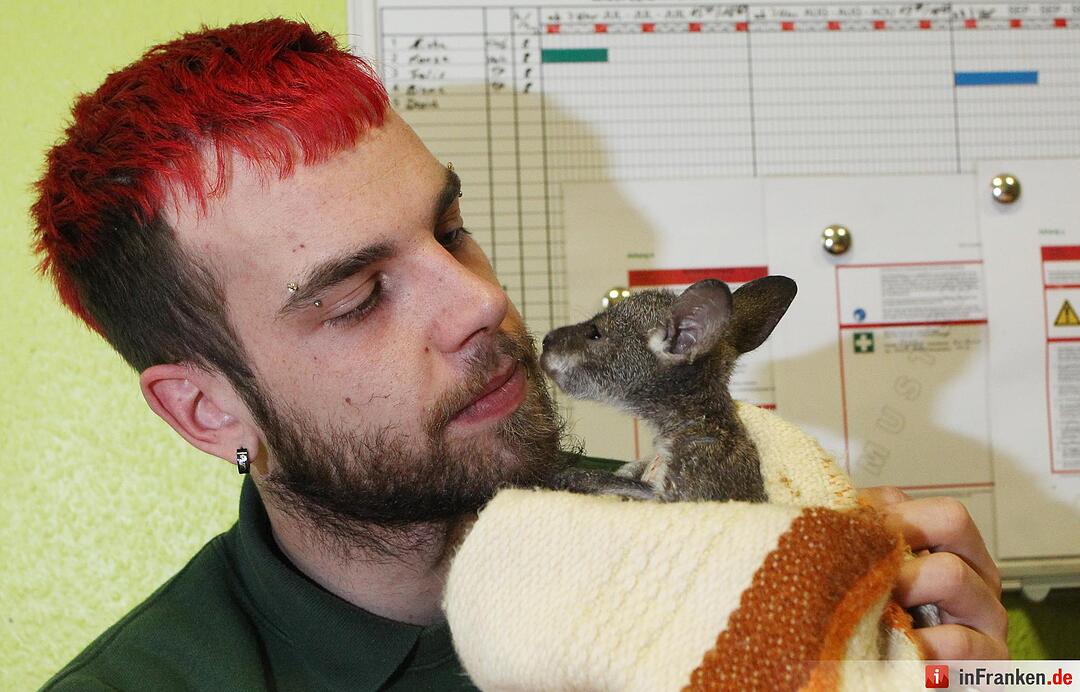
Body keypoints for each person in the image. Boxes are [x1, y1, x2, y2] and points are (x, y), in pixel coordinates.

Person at [33, 18, 1008, 691]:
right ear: (209, 411)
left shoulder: (717, 529)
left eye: (451, 230)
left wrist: (990, 674)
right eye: (360, 296)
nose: (482, 300)